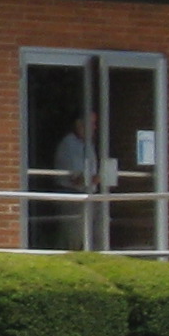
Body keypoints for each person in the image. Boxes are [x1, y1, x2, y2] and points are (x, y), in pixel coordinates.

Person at [54, 106, 103, 250]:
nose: (94, 127)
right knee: (75, 238)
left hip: (91, 196)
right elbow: (76, 179)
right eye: (91, 123)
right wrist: (94, 179)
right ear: (79, 124)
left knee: (96, 235)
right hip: (73, 198)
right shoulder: (68, 144)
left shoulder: (88, 145)